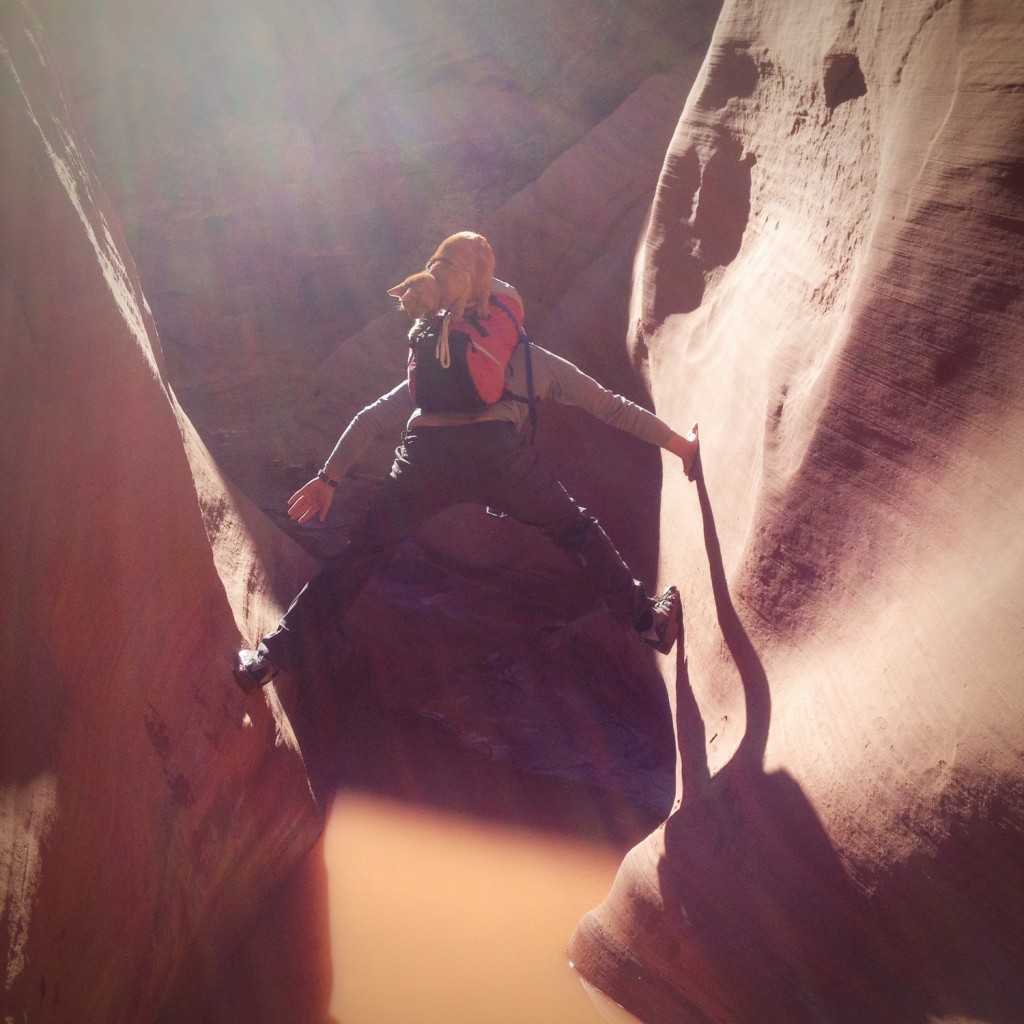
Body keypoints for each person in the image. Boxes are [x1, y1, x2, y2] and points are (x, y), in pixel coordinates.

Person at [235, 280, 699, 692]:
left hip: (426, 460)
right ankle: (648, 622)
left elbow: (372, 417)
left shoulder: (441, 363)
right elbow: (610, 406)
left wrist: (328, 479)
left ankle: (269, 660)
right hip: (502, 461)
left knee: (360, 555)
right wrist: (682, 447)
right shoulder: (529, 359)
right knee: (577, 532)